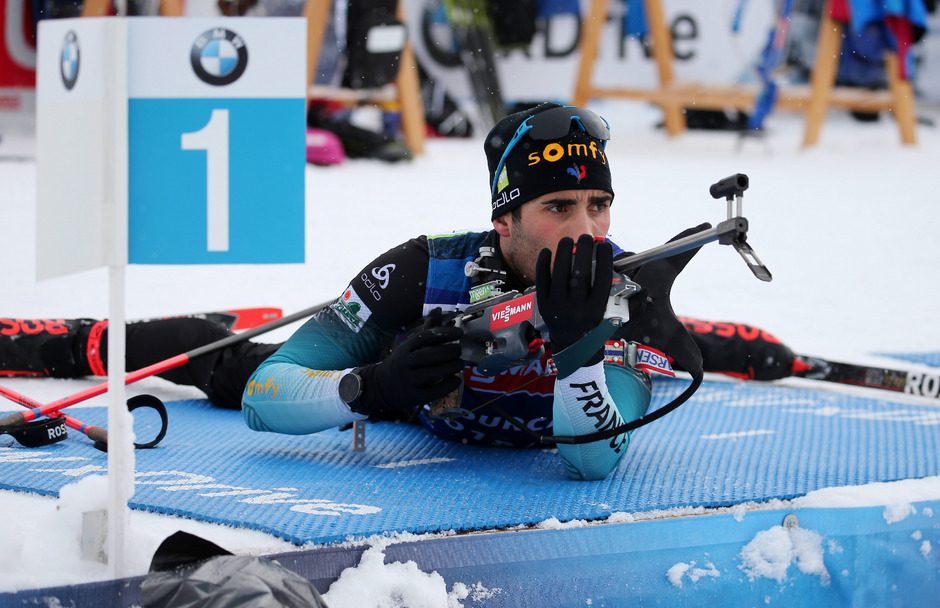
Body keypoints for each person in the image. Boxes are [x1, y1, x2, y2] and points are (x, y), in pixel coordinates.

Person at [0, 103, 796, 480]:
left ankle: (731, 341)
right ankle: (62, 342)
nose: (585, 229)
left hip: (554, 403)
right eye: (558, 207)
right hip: (403, 402)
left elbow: (592, 463)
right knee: (226, 361)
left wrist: (583, 352)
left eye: (598, 205)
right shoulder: (425, 270)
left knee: (666, 342)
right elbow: (269, 398)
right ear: (505, 217)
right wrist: (369, 386)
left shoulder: (620, 285)